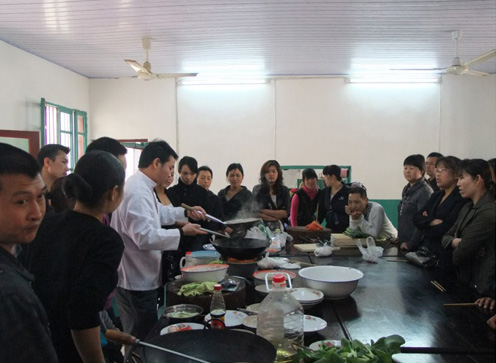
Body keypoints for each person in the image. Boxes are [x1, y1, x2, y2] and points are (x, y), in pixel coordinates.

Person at [23, 151, 126, 363]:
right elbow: (83, 311)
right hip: (74, 347)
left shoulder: (46, 224)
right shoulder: (106, 240)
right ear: (114, 192)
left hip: (39, 337)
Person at [110, 141, 206, 353]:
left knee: (141, 336)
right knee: (139, 339)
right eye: (171, 167)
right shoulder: (137, 191)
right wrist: (182, 232)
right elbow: (144, 237)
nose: (172, 173)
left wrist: (185, 213)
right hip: (136, 281)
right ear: (156, 163)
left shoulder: (143, 187)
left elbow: (157, 214)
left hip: (140, 277)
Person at [0, 143, 58, 363]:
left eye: (41, 197)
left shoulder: (17, 253)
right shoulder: (8, 294)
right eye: (21, 201)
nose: (37, 213)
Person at [442, 159, 495, 298]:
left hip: (483, 287)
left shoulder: (488, 212)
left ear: (478, 179)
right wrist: (456, 242)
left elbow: (458, 256)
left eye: (462, 178)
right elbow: (445, 236)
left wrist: (459, 246)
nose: (458, 183)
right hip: (467, 279)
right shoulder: (467, 207)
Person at [412, 156, 469, 272]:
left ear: (456, 174)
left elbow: (446, 228)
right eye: (437, 170)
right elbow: (416, 218)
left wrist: (425, 224)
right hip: (426, 252)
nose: (437, 174)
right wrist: (432, 221)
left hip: (445, 255)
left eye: (443, 170)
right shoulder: (436, 196)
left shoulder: (460, 198)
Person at [168, 157, 219, 251]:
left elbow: (211, 221)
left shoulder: (203, 193)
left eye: (192, 174)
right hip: (178, 240)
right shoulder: (171, 192)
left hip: (199, 241)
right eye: (185, 173)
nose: (188, 177)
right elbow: (168, 218)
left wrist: (206, 220)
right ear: (179, 171)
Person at [397, 154, 433, 251]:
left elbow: (422, 223)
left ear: (421, 171)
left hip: (416, 247)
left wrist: (411, 244)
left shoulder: (425, 191)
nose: (407, 171)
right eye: (405, 168)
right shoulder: (407, 189)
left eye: (411, 168)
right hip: (403, 243)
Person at [252, 160, 290, 228]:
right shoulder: (257, 190)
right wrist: (275, 218)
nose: (271, 174)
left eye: (273, 171)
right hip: (262, 228)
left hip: (281, 228)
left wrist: (263, 211)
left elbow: (285, 213)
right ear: (263, 174)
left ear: (278, 173)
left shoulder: (284, 190)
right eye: (268, 172)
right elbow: (255, 213)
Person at [317, 165, 350, 233]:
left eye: (326, 176)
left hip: (345, 231)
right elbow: (321, 212)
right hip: (329, 230)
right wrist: (316, 223)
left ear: (333, 177)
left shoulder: (347, 192)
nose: (324, 179)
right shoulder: (324, 192)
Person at [37, 144, 70, 212]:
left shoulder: (65, 192)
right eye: (63, 162)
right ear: (47, 162)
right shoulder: (34, 192)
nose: (67, 169)